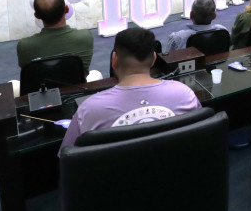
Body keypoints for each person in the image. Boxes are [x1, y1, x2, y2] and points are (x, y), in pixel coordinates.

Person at [59, 27, 201, 154]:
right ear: (153, 59)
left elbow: (66, 157)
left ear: (114, 60)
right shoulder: (185, 94)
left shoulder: (89, 110)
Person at [16, 0, 94, 72]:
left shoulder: (24, 46)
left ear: (37, 16)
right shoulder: (85, 37)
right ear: (67, 9)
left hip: (43, 85)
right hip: (77, 85)